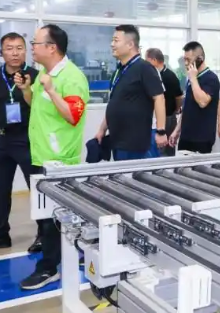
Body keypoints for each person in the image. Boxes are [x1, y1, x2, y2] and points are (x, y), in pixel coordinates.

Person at [15, 24, 89, 290]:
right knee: (45, 216)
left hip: (58, 160)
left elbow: (73, 116)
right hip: (40, 154)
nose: (32, 48)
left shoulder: (72, 77)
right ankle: (65, 255)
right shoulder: (44, 75)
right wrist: (27, 90)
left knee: (52, 219)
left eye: (35, 43)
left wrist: (52, 91)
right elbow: (36, 105)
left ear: (52, 48)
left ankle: (48, 268)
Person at [95, 25, 167, 161]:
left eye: (116, 40)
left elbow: (159, 98)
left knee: (137, 175)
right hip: (117, 141)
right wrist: (102, 129)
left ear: (130, 45)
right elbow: (114, 103)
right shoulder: (119, 71)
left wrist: (161, 131)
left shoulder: (145, 68)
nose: (112, 44)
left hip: (136, 144)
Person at [0, 33, 39, 251]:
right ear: (2, 52)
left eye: (19, 48)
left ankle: (44, 235)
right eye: (9, 48)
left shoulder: (35, 75)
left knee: (36, 188)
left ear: (25, 51)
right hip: (2, 139)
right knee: (1, 190)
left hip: (27, 139)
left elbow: (40, 108)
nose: (15, 53)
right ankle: (1, 235)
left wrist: (27, 89)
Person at [169, 41, 220, 154]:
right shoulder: (192, 78)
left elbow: (202, 102)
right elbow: (187, 107)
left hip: (201, 138)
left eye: (188, 60)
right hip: (186, 136)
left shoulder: (211, 78)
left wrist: (193, 78)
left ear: (200, 59)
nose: (186, 63)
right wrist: (177, 130)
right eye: (184, 59)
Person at [145, 48, 183, 156]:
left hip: (166, 117)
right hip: (158, 117)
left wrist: (176, 109)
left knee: (166, 147)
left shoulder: (169, 76)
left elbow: (179, 97)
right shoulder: (152, 75)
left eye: (146, 60)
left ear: (154, 60)